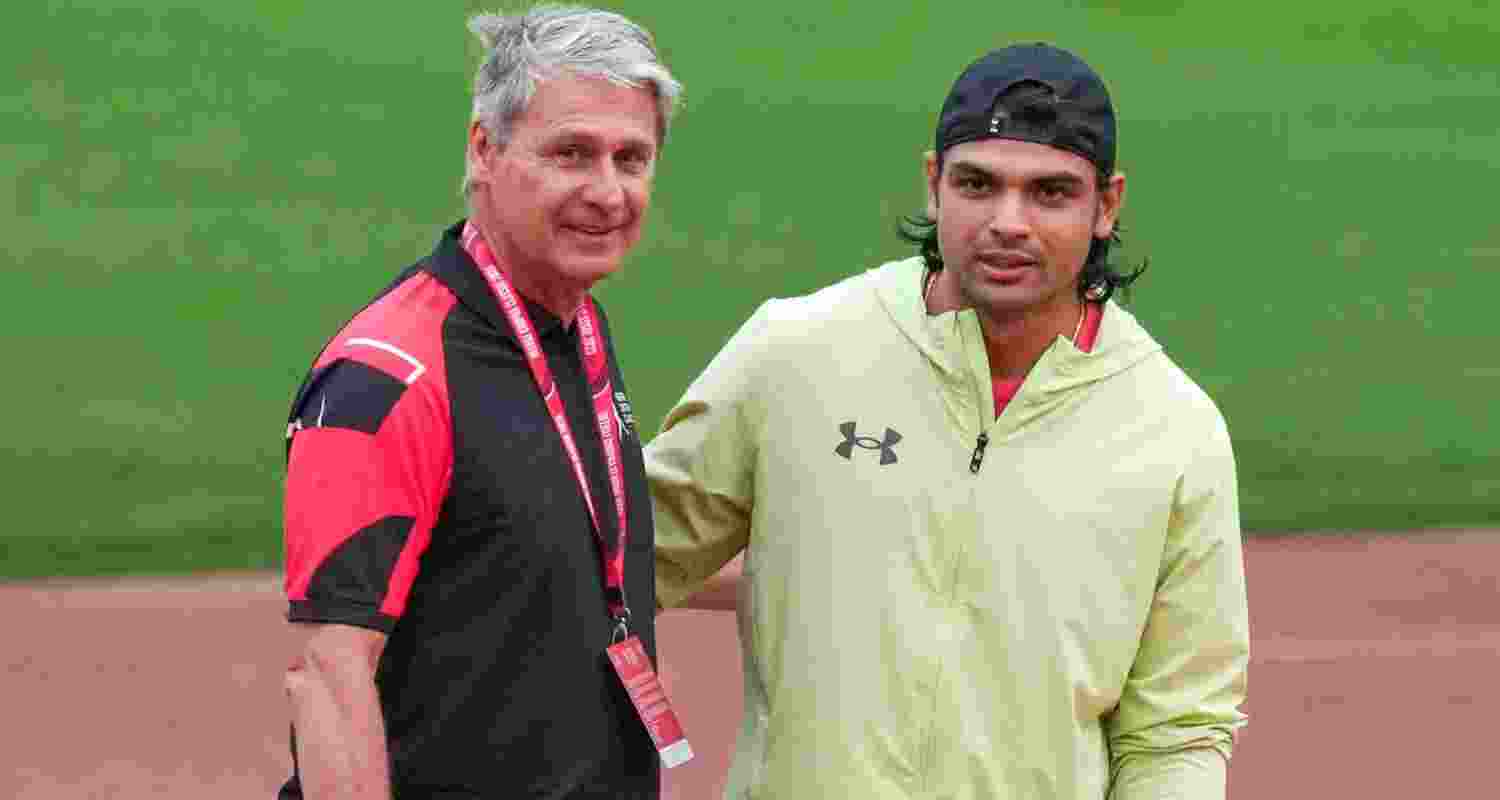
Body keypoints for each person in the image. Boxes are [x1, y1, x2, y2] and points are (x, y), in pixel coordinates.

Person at [646, 43, 1249, 798]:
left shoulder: (1174, 431)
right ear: (934, 186)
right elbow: (612, 562)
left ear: (1108, 206)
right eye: (977, 184)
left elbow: (1178, 732)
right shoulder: (794, 355)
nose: (1008, 222)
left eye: (1050, 193)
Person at [278, 6, 682, 798]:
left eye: (631, 159)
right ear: (484, 149)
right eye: (572, 153)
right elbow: (329, 674)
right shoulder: (390, 372)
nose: (607, 192)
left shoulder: (574, 324)